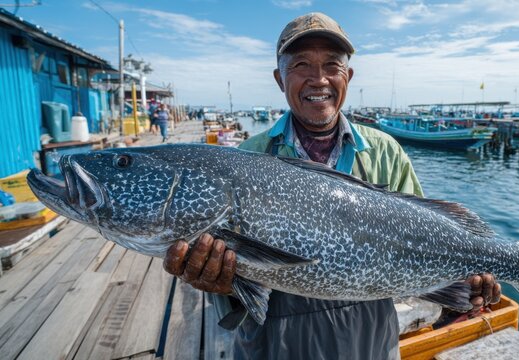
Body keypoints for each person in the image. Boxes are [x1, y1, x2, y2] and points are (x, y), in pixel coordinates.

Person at [163, 12, 501, 359]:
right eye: (301, 65)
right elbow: (240, 283)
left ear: (348, 76)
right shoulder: (250, 156)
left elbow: (426, 244)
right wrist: (222, 284)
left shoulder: (386, 152)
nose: (318, 78)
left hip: (369, 345)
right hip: (275, 347)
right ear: (280, 78)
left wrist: (465, 282)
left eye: (332, 65)